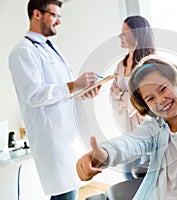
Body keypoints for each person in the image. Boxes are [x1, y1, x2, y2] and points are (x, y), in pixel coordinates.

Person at [76, 55, 177, 199]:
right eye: (150, 98)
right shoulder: (152, 129)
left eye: (163, 88)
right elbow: (129, 143)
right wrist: (103, 154)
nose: (160, 100)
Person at [8, 0, 99, 199]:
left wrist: (83, 91)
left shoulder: (51, 48)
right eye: (54, 15)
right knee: (65, 195)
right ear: (37, 14)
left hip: (67, 139)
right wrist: (75, 85)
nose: (58, 22)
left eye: (59, 17)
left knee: (67, 194)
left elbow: (61, 91)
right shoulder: (23, 51)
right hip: (53, 144)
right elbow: (33, 94)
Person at [109, 15, 155, 179]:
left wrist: (123, 95)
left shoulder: (151, 62)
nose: (120, 37)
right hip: (128, 130)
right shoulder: (121, 65)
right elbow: (112, 93)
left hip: (148, 128)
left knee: (147, 176)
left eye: (124, 33)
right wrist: (127, 96)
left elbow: (146, 95)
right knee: (128, 175)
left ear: (137, 35)